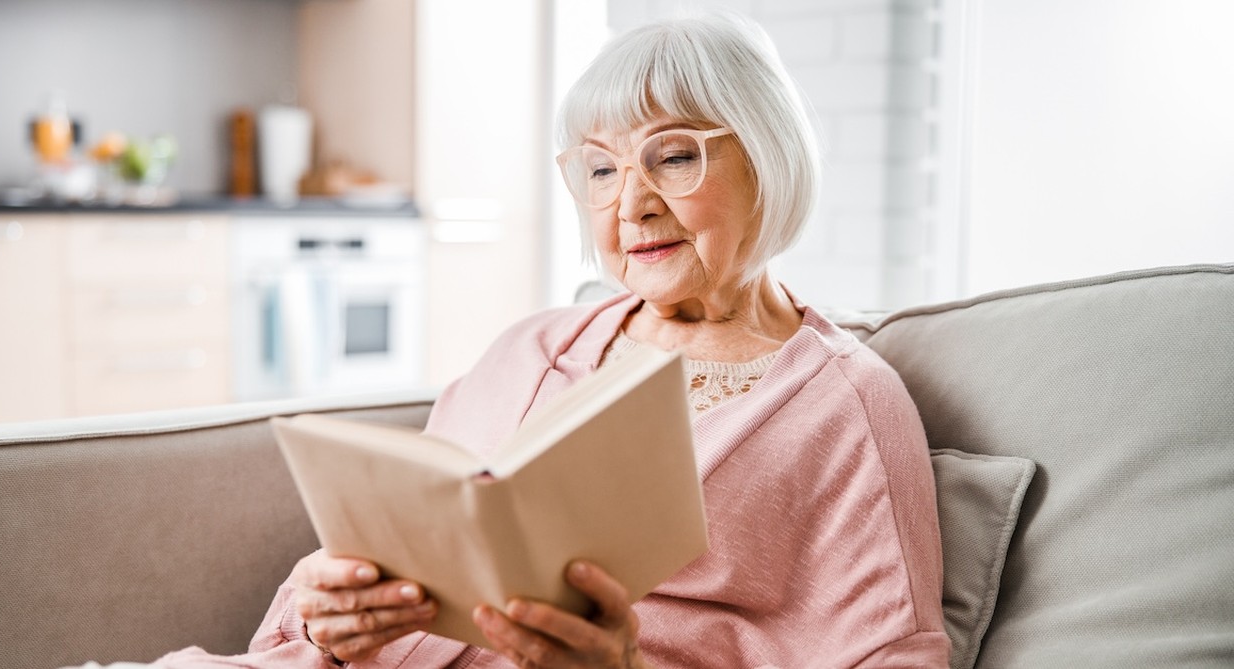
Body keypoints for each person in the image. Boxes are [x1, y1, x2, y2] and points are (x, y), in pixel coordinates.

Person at [144, 11, 950, 669]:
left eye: (672, 156)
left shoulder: (850, 405)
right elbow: (370, 565)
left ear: (770, 162)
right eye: (600, 170)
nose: (630, 204)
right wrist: (326, 620)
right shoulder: (530, 348)